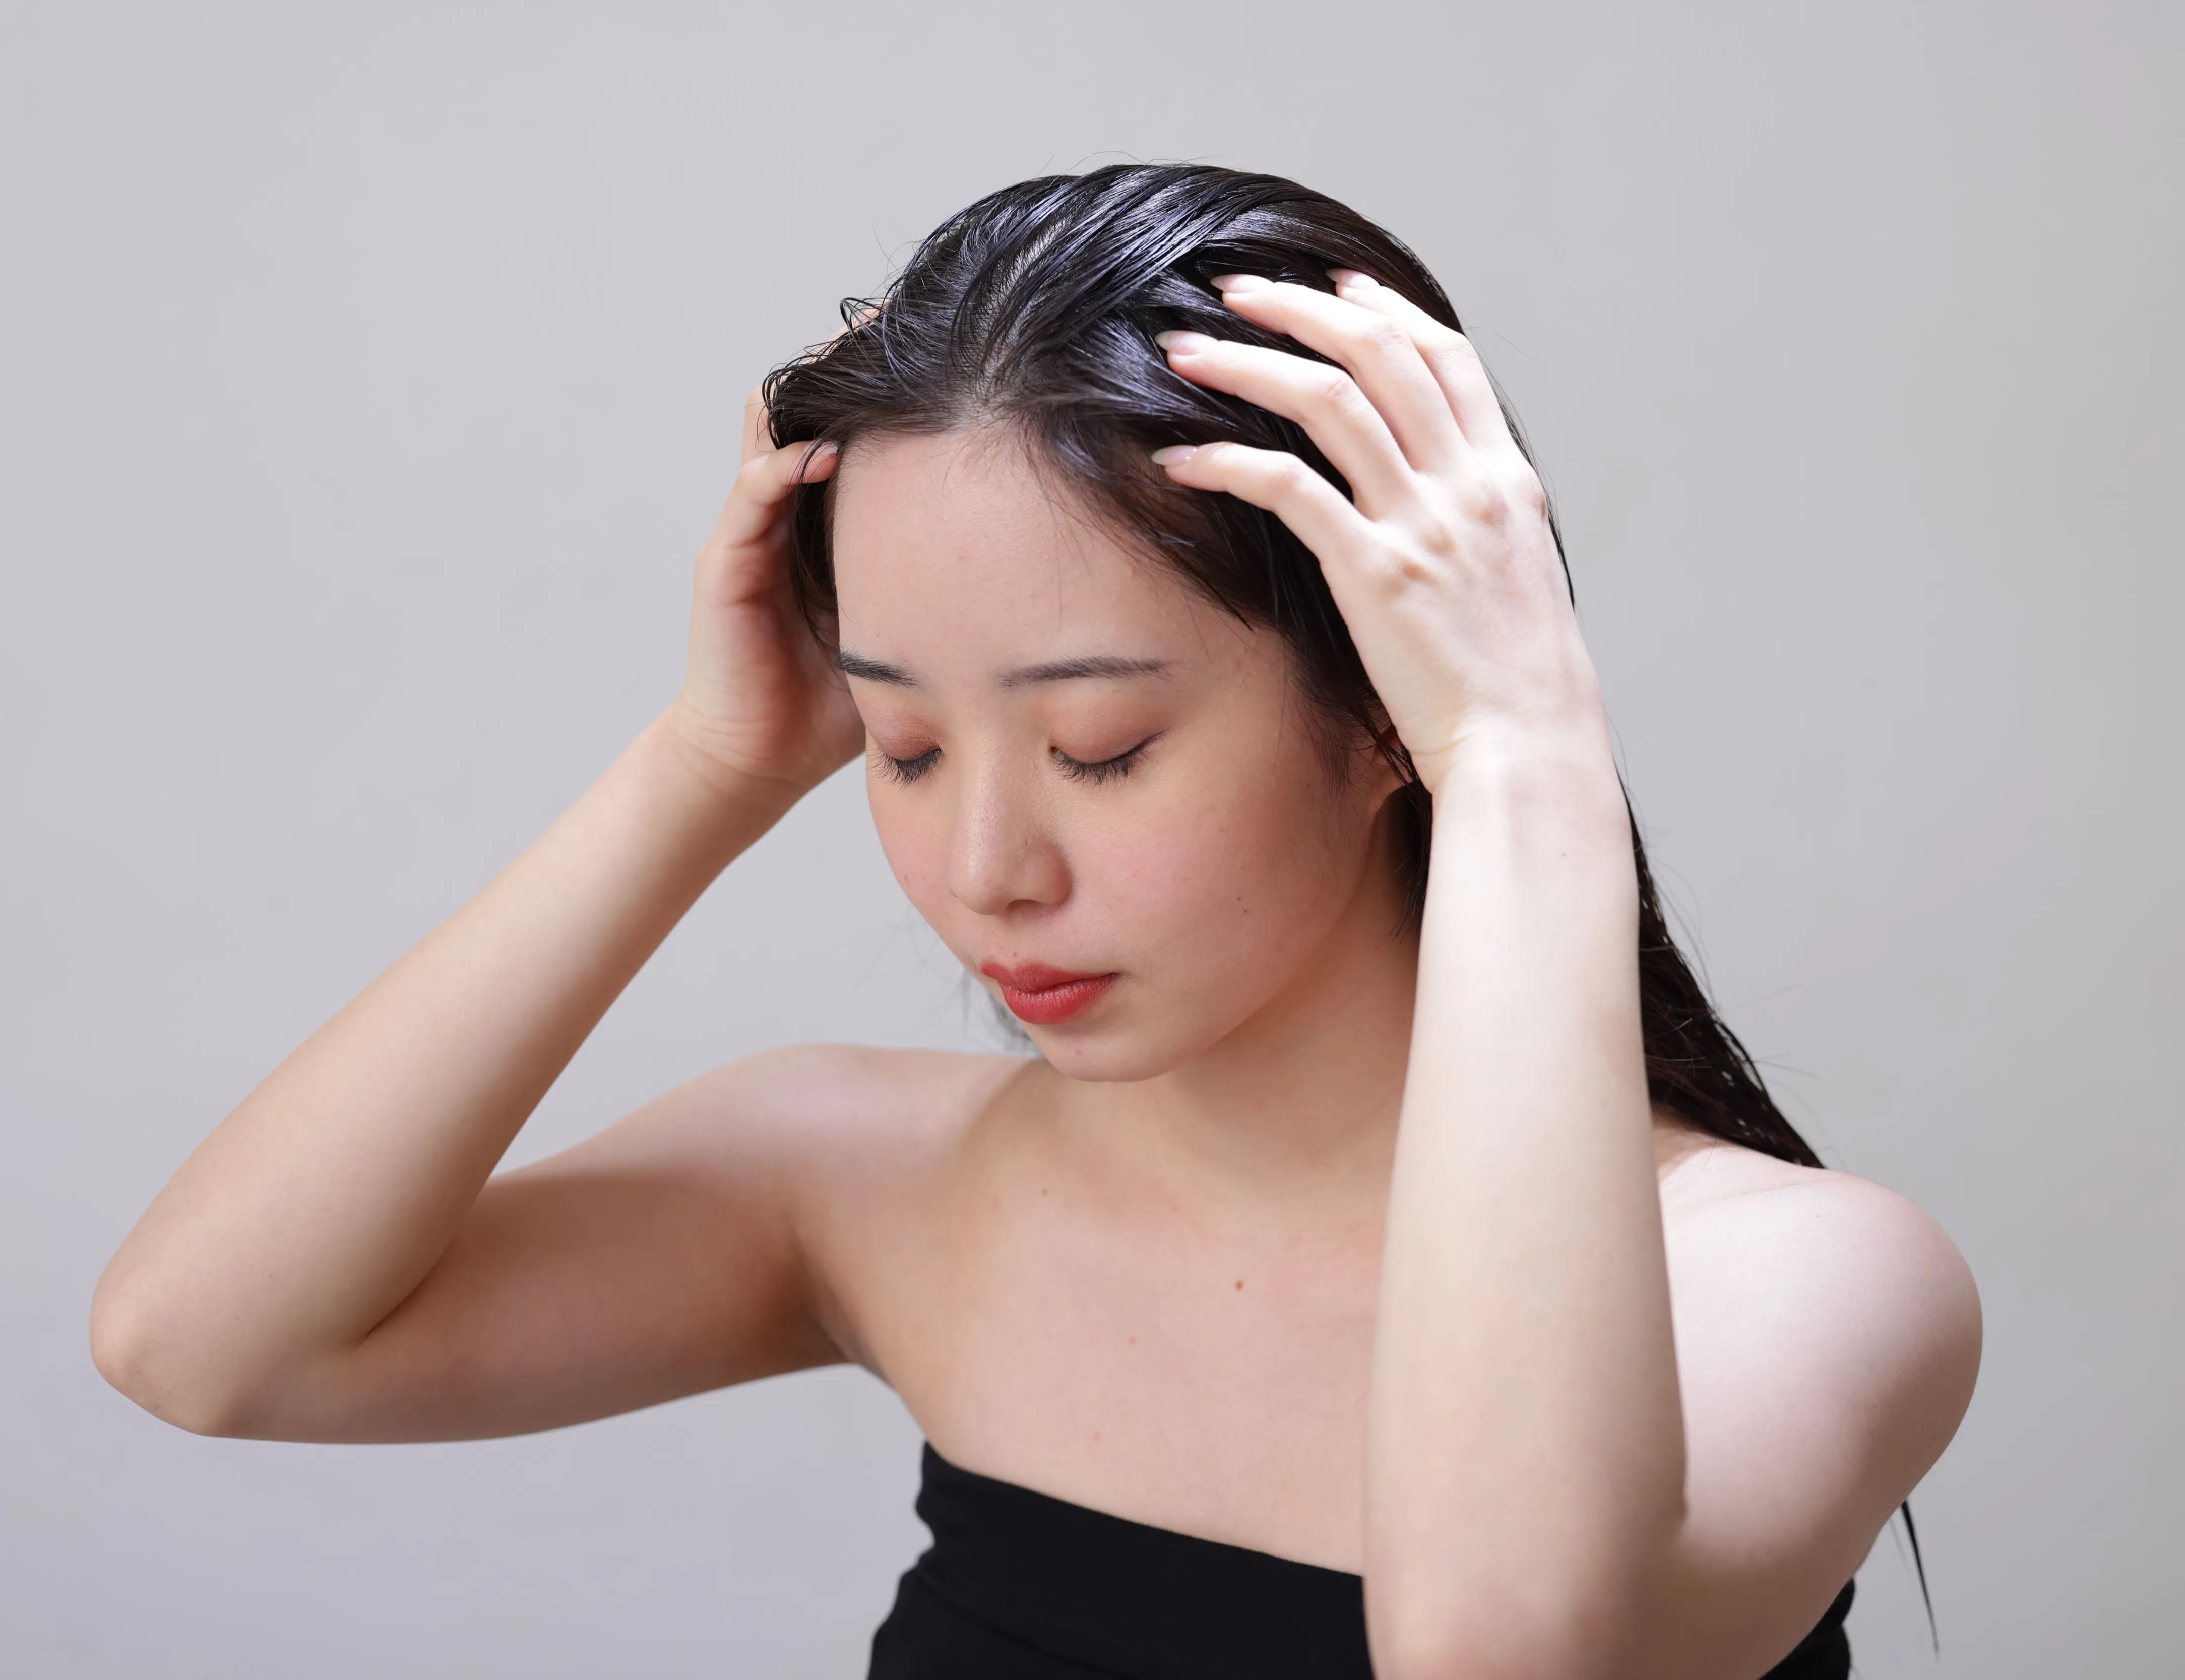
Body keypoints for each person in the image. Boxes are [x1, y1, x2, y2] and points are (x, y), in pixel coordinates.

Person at [91, 165, 1981, 1679]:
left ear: (1381, 711)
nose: (985, 867)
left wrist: (1523, 754)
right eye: (905, 746)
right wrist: (704, 764)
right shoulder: (885, 1181)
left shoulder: (1798, 1281)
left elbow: (1501, 1651)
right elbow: (205, 1343)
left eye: (1101, 748)